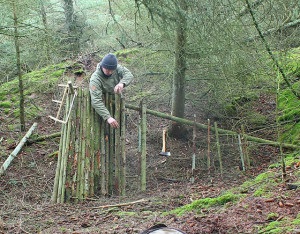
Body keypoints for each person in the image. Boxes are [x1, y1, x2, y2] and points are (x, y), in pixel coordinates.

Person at [89, 53, 133, 128]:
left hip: (118, 104)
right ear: (102, 66)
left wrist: (122, 83)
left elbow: (128, 74)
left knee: (121, 128)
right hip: (103, 109)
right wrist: (108, 117)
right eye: (107, 69)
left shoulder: (116, 68)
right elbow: (96, 100)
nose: (109, 72)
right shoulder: (95, 79)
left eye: (111, 70)